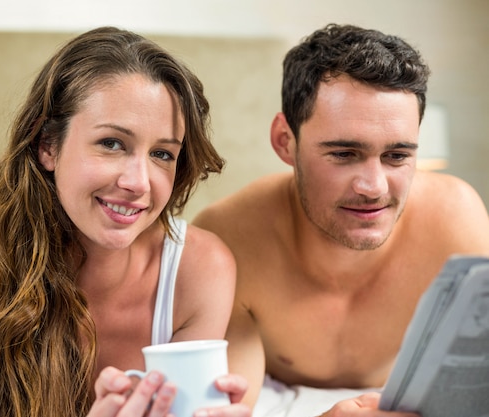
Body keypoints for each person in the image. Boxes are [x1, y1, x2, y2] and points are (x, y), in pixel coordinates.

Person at [0, 27, 250, 417]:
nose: (138, 183)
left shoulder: (200, 269)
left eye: (161, 154)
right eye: (111, 143)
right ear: (48, 146)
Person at [193, 23, 489, 416]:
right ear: (285, 140)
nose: (374, 186)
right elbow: (222, 408)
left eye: (397, 156)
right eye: (344, 154)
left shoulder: (455, 221)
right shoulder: (226, 242)